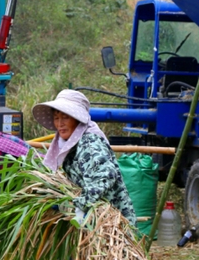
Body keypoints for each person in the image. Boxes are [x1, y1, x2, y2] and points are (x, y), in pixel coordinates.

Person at [32, 89, 137, 226]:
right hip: (95, 221)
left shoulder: (89, 142)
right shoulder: (70, 144)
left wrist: (80, 203)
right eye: (56, 118)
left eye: (65, 117)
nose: (60, 124)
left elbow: (106, 175)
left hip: (111, 221)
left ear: (78, 119)